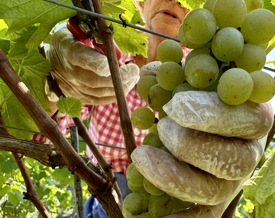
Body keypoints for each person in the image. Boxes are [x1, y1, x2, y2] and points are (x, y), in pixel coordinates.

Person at [34, 0, 190, 217]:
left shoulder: (199, 69)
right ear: (140, 4)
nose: (176, 1)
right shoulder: (105, 57)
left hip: (174, 195)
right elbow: (42, 137)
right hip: (107, 190)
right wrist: (53, 91)